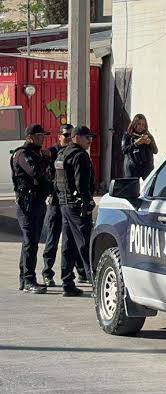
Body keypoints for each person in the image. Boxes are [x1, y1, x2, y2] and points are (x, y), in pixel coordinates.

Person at [41, 124, 86, 287]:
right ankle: (47, 273)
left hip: (69, 202)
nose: (68, 138)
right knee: (52, 238)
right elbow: (44, 173)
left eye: (70, 135)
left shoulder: (75, 152)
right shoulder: (53, 152)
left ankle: (81, 272)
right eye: (65, 135)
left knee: (73, 239)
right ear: (59, 136)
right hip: (56, 201)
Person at [11, 124, 54, 294]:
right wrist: (45, 159)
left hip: (37, 202)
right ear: (29, 137)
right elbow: (36, 172)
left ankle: (25, 279)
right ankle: (28, 280)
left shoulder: (36, 154)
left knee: (32, 242)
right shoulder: (23, 154)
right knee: (30, 242)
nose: (42, 139)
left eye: (43, 136)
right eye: (38, 136)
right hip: (27, 204)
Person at [55, 126, 97, 297]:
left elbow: (56, 180)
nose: (90, 141)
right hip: (77, 206)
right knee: (86, 243)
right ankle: (96, 282)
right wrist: (87, 202)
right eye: (87, 137)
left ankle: (67, 283)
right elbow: (82, 183)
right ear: (77, 138)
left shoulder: (62, 154)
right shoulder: (80, 156)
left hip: (64, 204)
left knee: (69, 244)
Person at [122, 114, 158, 179]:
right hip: (132, 167)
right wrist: (136, 143)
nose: (141, 127)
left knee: (150, 184)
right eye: (139, 124)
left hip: (146, 167)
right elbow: (124, 150)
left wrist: (150, 143)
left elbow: (155, 151)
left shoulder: (147, 135)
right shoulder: (128, 135)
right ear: (134, 124)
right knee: (132, 185)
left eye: (143, 125)